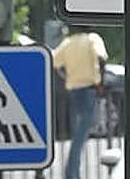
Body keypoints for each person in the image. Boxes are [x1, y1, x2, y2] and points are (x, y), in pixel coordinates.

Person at [52, 29, 108, 179]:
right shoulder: (93, 38)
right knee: (84, 129)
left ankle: (73, 172)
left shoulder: (68, 42)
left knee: (79, 132)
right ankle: (71, 172)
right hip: (89, 89)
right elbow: (101, 58)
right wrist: (101, 82)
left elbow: (54, 63)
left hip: (74, 91)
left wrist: (66, 77)